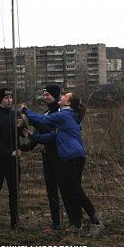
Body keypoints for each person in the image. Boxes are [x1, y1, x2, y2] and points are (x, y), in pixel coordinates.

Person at [21, 92, 103, 236]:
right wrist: (32, 135)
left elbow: (42, 120)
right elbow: (52, 136)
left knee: (75, 190)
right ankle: (77, 225)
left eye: (65, 96)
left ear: (68, 103)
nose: (62, 97)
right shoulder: (67, 118)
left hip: (72, 157)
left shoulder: (64, 115)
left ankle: (96, 221)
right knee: (72, 191)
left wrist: (25, 111)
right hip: (72, 157)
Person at [20, 84, 67, 232]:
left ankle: (73, 222)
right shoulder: (46, 114)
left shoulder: (61, 113)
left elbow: (51, 135)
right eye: (44, 95)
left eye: (48, 95)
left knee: (66, 190)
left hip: (61, 157)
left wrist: (30, 120)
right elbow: (38, 132)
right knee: (51, 191)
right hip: (48, 157)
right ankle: (56, 223)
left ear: (56, 95)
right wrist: (24, 145)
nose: (45, 97)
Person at [0, 88, 21, 234]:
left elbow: (22, 133)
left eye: (11, 97)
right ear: (0, 100)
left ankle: (15, 223)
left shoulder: (16, 115)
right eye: (6, 98)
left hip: (14, 162)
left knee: (15, 192)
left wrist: (27, 140)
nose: (9, 100)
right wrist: (10, 152)